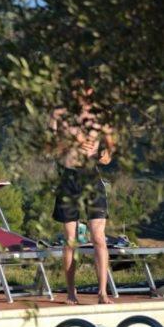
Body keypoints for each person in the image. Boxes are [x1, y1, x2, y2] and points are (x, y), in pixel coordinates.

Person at [50, 87, 116, 305]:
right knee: (71, 240)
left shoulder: (99, 117)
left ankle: (102, 293)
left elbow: (109, 146)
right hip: (69, 179)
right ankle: (71, 292)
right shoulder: (60, 115)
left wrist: (106, 154)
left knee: (98, 237)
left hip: (92, 179)